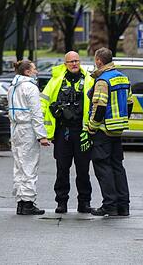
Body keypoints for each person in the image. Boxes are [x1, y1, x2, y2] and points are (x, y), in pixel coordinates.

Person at [41, 51, 94, 214]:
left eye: (77, 61)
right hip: (63, 132)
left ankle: (84, 202)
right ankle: (61, 202)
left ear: (81, 62)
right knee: (62, 169)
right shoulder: (55, 81)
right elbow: (44, 103)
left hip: (82, 131)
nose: (74, 64)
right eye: (71, 61)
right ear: (65, 64)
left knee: (83, 170)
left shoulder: (90, 80)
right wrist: (45, 130)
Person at [88, 47, 133, 217]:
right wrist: (121, 121)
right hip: (117, 129)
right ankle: (123, 206)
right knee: (117, 166)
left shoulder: (102, 81)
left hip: (103, 130)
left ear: (99, 61)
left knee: (103, 167)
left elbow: (99, 107)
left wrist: (92, 127)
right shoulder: (123, 77)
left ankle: (109, 205)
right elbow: (129, 103)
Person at [8, 59, 50, 215]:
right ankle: (28, 203)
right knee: (29, 165)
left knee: (19, 165)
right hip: (27, 130)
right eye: (34, 69)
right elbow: (36, 114)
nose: (36, 71)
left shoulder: (12, 87)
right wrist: (42, 136)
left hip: (15, 129)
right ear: (27, 72)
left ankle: (20, 201)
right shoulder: (30, 88)